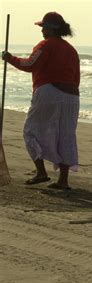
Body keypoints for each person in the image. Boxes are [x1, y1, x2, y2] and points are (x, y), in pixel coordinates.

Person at [2, 12, 80, 190]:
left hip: (49, 91)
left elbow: (30, 65)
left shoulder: (45, 45)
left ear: (51, 29)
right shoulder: (71, 49)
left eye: (43, 27)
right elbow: (76, 77)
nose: (42, 31)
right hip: (72, 96)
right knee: (66, 134)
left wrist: (10, 58)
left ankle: (41, 172)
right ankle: (63, 180)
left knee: (31, 131)